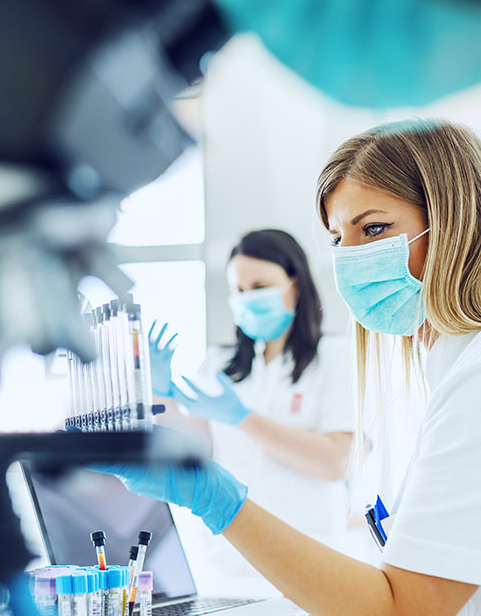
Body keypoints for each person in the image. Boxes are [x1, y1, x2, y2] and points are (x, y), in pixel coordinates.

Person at [97, 118, 481, 616]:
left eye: (374, 229)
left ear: (453, 223)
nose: (351, 259)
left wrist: (213, 497)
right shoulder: (449, 367)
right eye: (340, 238)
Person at [149, 229, 354, 542]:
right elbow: (194, 453)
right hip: (225, 551)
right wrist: (162, 398)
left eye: (260, 287)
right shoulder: (220, 363)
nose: (248, 299)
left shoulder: (334, 357)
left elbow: (333, 463)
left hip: (308, 548)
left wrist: (242, 418)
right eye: (240, 290)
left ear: (295, 285)